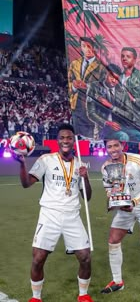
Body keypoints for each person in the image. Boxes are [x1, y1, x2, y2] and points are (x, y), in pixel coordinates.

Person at [14, 123, 94, 302]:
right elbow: (26, 183)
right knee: (38, 258)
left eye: (69, 138)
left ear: (74, 141)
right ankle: (36, 297)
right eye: (62, 138)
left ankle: (83, 295)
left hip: (72, 215)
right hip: (49, 214)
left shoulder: (80, 164)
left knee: (85, 257)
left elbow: (87, 197)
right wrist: (22, 164)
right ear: (57, 141)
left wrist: (85, 178)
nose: (65, 141)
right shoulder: (45, 160)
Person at [100, 138, 140, 302]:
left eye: (116, 145)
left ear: (122, 146)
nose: (113, 149)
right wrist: (114, 201)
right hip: (126, 206)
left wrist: (134, 202)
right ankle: (118, 281)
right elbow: (109, 190)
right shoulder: (106, 167)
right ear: (106, 149)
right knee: (113, 240)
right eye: (109, 146)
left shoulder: (139, 161)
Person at [86, 62, 140, 143]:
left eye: (117, 78)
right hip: (104, 127)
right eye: (111, 77)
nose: (114, 80)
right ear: (106, 74)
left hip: (121, 126)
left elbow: (130, 115)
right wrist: (107, 123)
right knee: (123, 136)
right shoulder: (94, 87)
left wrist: (111, 106)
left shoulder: (122, 92)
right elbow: (91, 113)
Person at [68, 36, 106, 138]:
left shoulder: (101, 66)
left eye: (89, 46)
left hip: (91, 105)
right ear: (81, 47)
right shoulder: (74, 64)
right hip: (76, 105)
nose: (87, 49)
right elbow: (69, 81)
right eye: (84, 46)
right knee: (77, 135)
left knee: (90, 135)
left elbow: (105, 86)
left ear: (93, 48)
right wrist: (74, 86)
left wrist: (88, 86)